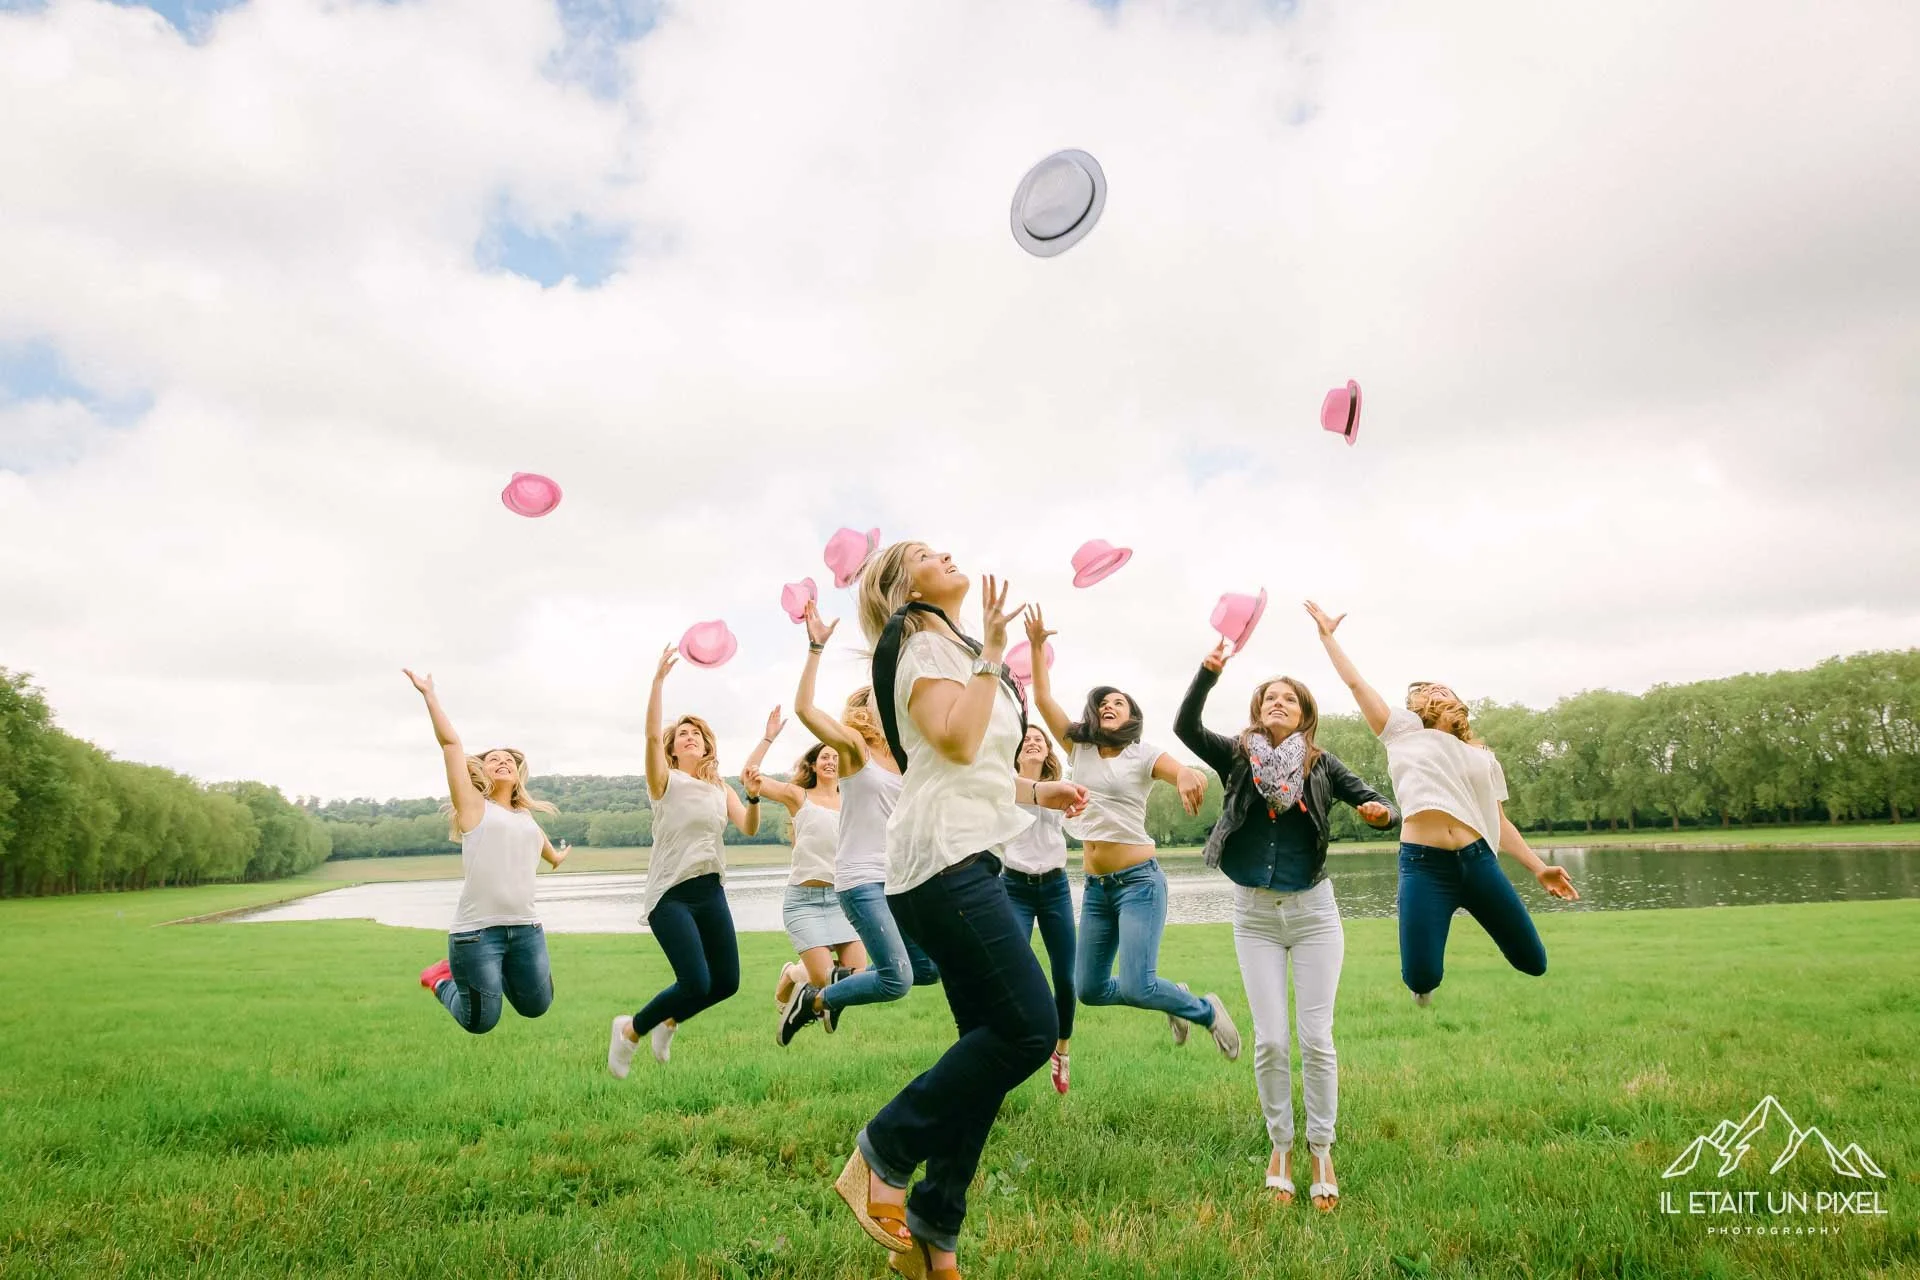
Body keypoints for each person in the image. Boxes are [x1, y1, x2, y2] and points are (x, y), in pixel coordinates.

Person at [832, 542, 1087, 1280]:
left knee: (989, 1047)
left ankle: (932, 1236)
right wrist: (997, 654)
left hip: (964, 852)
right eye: (922, 554)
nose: (944, 553)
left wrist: (1043, 794)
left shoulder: (953, 648)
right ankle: (883, 1149)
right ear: (899, 585)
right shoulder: (916, 644)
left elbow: (971, 770)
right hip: (939, 861)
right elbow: (955, 736)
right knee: (1032, 1029)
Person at [1174, 642, 1399, 1211]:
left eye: (1289, 699)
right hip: (1254, 916)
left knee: (1316, 1038)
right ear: (1258, 710)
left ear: (1303, 714)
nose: (1279, 703)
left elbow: (1372, 799)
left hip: (1314, 914)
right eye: (1270, 697)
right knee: (1272, 1039)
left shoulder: (1321, 764)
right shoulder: (1236, 755)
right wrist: (1209, 671)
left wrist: (1380, 813)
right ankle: (1281, 1149)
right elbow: (1184, 725)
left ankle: (1321, 1148)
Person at [1306, 601, 1579, 1009]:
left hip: (1479, 862)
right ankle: (1424, 982)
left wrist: (1540, 868)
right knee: (1421, 976)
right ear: (1414, 707)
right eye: (1422, 691)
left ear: (1458, 700)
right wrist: (1328, 639)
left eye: (1441, 688)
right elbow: (1357, 686)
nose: (1433, 690)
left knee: (1533, 962)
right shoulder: (1401, 731)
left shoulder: (1481, 753)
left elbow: (1498, 821)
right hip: (1424, 865)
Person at [1022, 606, 1241, 1060]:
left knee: (1139, 982)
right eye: (1103, 702)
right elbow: (1043, 700)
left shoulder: (1142, 754)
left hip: (1139, 883)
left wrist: (1185, 778)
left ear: (1131, 716)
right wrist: (1039, 646)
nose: (1108, 705)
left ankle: (1203, 1009)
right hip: (1098, 887)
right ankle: (1172, 994)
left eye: (1118, 703)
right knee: (1090, 989)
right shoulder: (1078, 747)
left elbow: (1177, 768)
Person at [774, 600, 939, 1047]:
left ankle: (836, 985)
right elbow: (806, 709)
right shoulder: (854, 750)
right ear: (869, 707)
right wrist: (814, 647)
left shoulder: (908, 758)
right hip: (861, 880)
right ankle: (815, 999)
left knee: (928, 969)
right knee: (896, 980)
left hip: (899, 881)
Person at [607, 645, 759, 1077]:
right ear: (673, 749)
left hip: (710, 890)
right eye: (682, 734)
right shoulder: (665, 781)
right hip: (671, 895)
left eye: (696, 733)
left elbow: (748, 825)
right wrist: (657, 683)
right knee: (695, 981)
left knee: (726, 982)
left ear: (707, 743)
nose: (689, 737)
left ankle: (670, 1021)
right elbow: (651, 737)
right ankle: (630, 1031)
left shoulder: (718, 787)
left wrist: (751, 793)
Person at [405, 669, 570, 1035]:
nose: (502, 761)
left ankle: (501, 972)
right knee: (480, 1022)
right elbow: (451, 746)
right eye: (493, 759)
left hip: (526, 929)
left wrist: (556, 859)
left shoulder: (525, 816)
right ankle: (440, 978)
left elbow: (538, 841)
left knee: (537, 1007)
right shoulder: (474, 809)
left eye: (508, 759)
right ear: (482, 771)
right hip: (477, 934)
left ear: (518, 772)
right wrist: (429, 695)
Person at [737, 705, 870, 1043]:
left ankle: (798, 972)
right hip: (805, 901)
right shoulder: (799, 796)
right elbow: (750, 775)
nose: (831, 761)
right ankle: (793, 974)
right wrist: (768, 738)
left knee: (858, 976)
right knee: (827, 981)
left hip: (842, 899)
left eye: (836, 756)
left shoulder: (854, 798)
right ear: (813, 764)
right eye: (825, 756)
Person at [1002, 723, 1076, 1094]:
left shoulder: (1060, 790)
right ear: (1016, 751)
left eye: (1039, 740)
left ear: (1048, 752)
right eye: (1026, 739)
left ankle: (1061, 1051)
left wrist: (1078, 813)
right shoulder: (1003, 786)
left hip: (1055, 888)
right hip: (1013, 886)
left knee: (1066, 977)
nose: (1032, 742)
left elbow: (1078, 828)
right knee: (1014, 969)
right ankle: (1017, 1039)